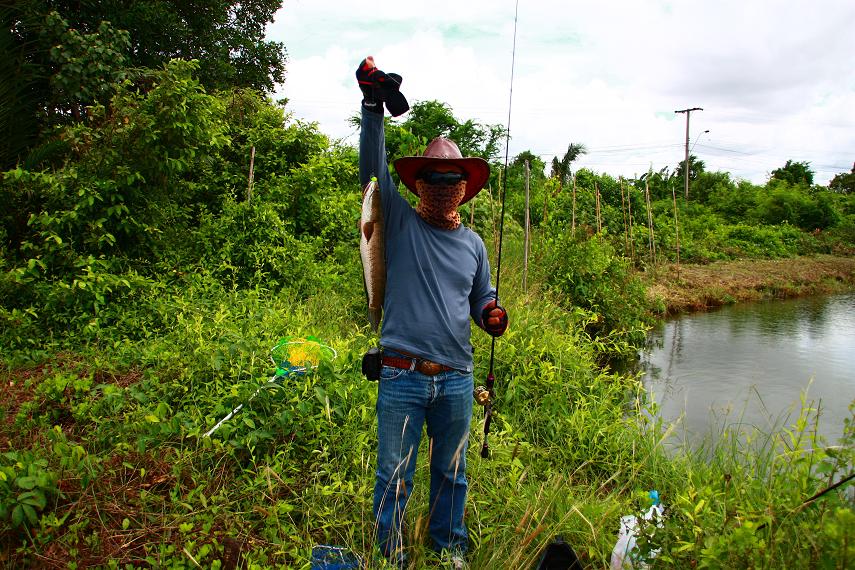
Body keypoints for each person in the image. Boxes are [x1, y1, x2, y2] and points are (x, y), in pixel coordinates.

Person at [356, 56, 508, 565]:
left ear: (465, 186)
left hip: (458, 378)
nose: (443, 185)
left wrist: (491, 312)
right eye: (435, 177)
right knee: (393, 474)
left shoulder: (474, 244)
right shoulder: (397, 219)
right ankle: (392, 556)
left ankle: (448, 552)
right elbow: (373, 173)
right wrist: (373, 106)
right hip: (402, 374)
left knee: (452, 474)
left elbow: (482, 295)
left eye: (452, 178)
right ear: (420, 182)